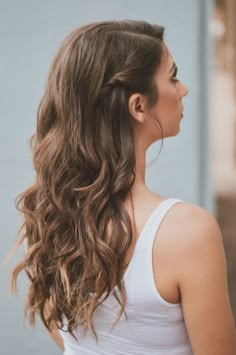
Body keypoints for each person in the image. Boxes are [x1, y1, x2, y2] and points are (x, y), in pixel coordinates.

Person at [11, 20, 236, 354]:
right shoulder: (189, 230)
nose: (183, 89)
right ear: (138, 106)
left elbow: (69, 339)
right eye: (173, 76)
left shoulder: (51, 215)